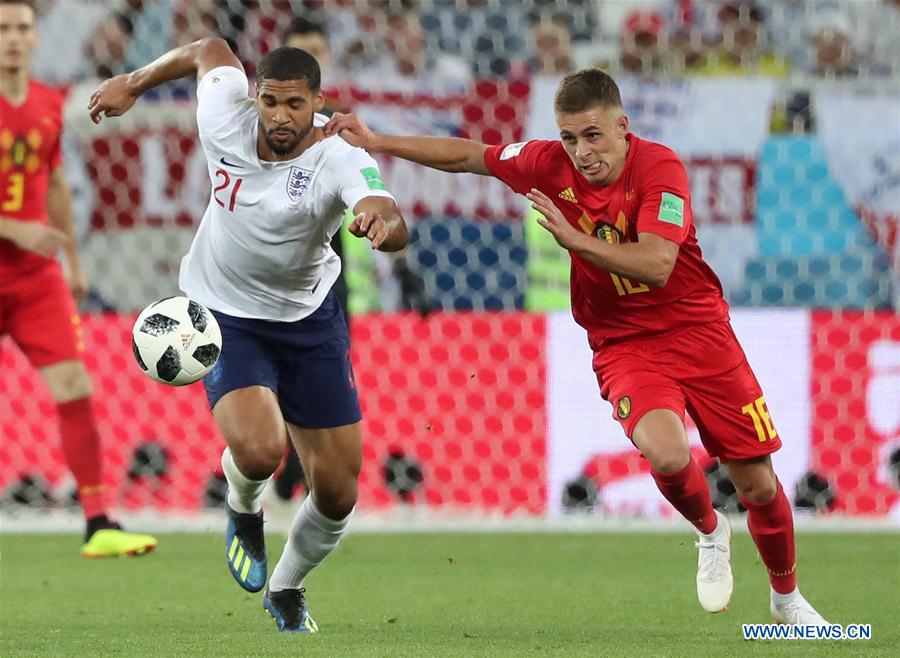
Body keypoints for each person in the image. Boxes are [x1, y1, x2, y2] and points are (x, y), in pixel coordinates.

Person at [325, 67, 829, 626]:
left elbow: (659, 265)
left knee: (757, 481)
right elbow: (471, 155)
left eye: (593, 136)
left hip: (699, 333)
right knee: (666, 454)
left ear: (623, 127)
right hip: (624, 341)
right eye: (570, 137)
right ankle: (711, 531)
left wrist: (575, 240)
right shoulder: (548, 164)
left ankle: (788, 601)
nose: (582, 152)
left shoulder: (660, 168)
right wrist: (377, 142)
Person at [88, 37, 408, 633]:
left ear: (317, 103)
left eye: (295, 104)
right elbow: (208, 48)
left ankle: (286, 588)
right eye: (270, 102)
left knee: (337, 493)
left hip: (309, 321)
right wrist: (133, 83)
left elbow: (388, 213)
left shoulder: (336, 155)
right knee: (262, 450)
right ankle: (243, 503)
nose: (280, 116)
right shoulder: (224, 112)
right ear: (255, 97)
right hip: (224, 314)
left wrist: (378, 225)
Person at [0, 0, 157, 558]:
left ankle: (98, 523)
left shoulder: (48, 104)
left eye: (22, 28)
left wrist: (72, 262)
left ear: (36, 38)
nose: (13, 38)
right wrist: (14, 228)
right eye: (4, 30)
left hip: (35, 277)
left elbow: (57, 184)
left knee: (75, 388)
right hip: (14, 251)